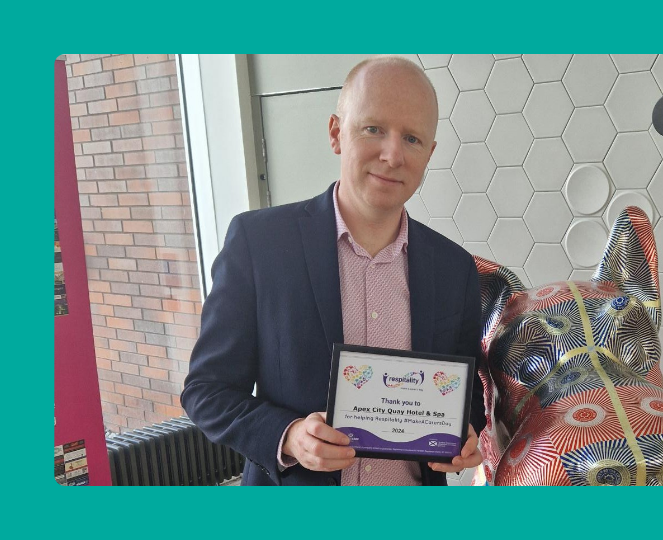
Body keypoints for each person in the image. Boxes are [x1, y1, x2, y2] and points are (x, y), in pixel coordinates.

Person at [181, 56, 485, 486]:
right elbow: (206, 392)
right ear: (336, 132)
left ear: (429, 153)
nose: (393, 154)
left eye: (412, 138)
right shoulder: (260, 244)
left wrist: (466, 438)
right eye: (373, 129)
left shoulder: (455, 270)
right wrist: (288, 437)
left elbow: (467, 401)